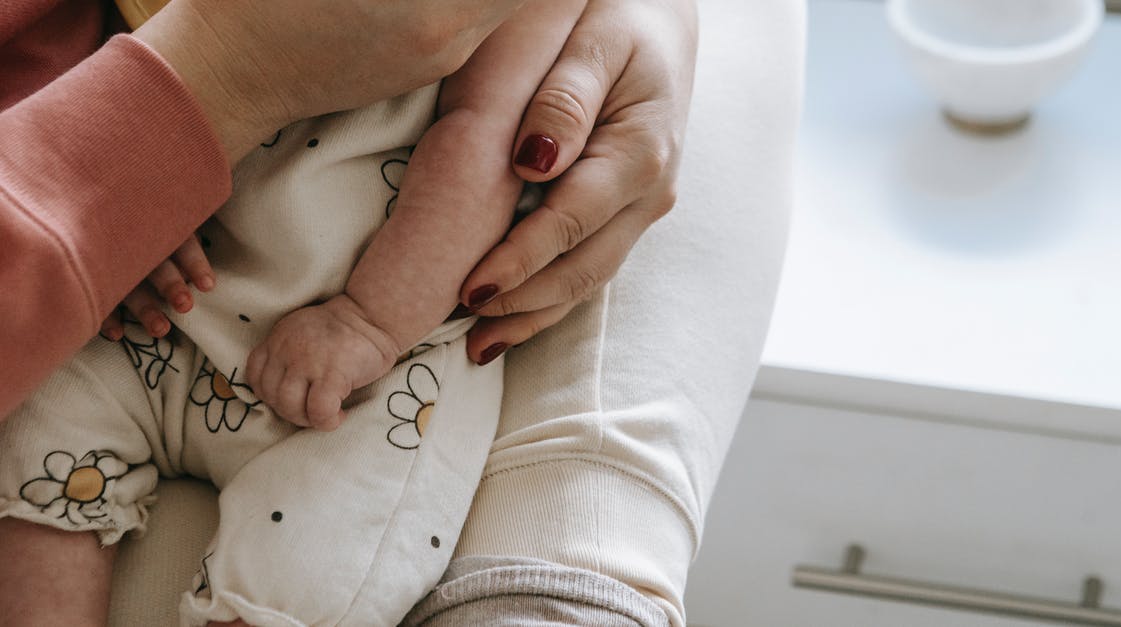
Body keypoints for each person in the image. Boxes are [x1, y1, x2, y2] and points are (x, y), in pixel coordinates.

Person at [2, 0, 802, 624]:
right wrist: (119, 183)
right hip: (146, 312)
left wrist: (367, 322)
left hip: (365, 364)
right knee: (42, 444)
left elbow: (484, 142)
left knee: (322, 552)